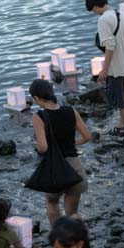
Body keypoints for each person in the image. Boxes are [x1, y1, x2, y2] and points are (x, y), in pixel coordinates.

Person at [26, 77, 93, 226]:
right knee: (73, 213)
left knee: (52, 202)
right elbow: (87, 136)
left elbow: (43, 147)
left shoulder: (39, 116)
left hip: (56, 170)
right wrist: (71, 143)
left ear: (36, 98)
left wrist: (36, 147)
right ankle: (80, 240)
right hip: (76, 169)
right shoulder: (70, 110)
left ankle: (58, 237)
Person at [87, 0, 124, 135]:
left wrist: (104, 69)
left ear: (96, 6)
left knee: (121, 103)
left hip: (115, 68)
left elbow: (109, 46)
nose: (93, 12)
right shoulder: (121, 14)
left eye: (92, 9)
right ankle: (122, 127)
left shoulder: (103, 20)